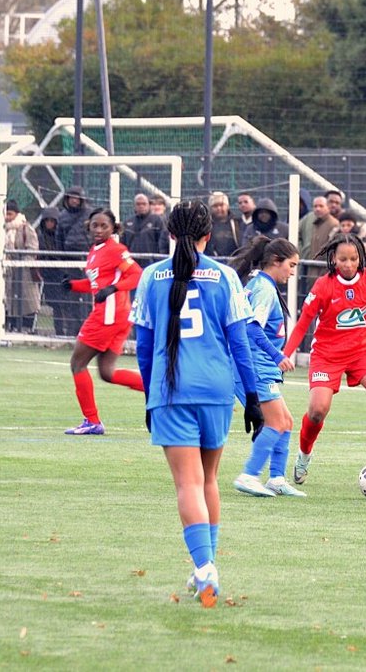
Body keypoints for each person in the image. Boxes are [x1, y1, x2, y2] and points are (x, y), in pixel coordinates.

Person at [130, 200, 265, 608]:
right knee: (208, 481)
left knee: (188, 484)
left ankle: (205, 568)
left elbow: (144, 348)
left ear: (170, 233)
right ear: (209, 235)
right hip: (217, 390)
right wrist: (253, 397)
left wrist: (150, 397)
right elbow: (240, 344)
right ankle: (204, 569)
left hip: (172, 390)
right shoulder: (225, 276)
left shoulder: (151, 276)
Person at [283, 233, 366, 484]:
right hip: (327, 355)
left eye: (353, 259)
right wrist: (285, 355)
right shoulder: (323, 285)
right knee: (317, 411)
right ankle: (304, 455)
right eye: (343, 259)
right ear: (333, 259)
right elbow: (303, 324)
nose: (349, 264)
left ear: (360, 257)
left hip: (363, 351)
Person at [229, 237, 304, 498]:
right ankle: (249, 475)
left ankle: (276, 478)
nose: (292, 272)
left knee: (286, 421)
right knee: (276, 422)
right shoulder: (264, 289)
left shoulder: (258, 284)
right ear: (275, 261)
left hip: (260, 366)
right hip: (255, 366)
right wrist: (277, 355)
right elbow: (252, 328)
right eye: (291, 265)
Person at [61, 207, 145, 435]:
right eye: (95, 225)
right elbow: (96, 285)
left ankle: (92, 421)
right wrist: (73, 285)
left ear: (113, 228)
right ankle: (158, 390)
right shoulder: (95, 251)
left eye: (104, 226)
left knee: (77, 364)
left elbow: (137, 275)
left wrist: (113, 288)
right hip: (117, 317)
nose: (98, 230)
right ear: (88, 226)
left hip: (108, 316)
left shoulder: (116, 250)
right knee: (107, 372)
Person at [56, 187, 92, 335]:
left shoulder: (90, 214)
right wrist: (62, 258)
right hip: (70, 260)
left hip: (88, 259)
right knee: (73, 296)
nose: (74, 201)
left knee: (88, 296)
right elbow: (59, 237)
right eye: (71, 198)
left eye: (77, 198)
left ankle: (88, 328)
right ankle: (73, 329)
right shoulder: (62, 216)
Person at [3, 200, 42, 332]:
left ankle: (28, 328)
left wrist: (21, 263)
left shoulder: (26, 228)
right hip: (9, 272)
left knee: (28, 300)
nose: (7, 217)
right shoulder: (3, 230)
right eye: (5, 214)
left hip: (25, 272)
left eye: (10, 213)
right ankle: (13, 326)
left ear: (16, 213)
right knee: (11, 301)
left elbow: (32, 248)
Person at [37, 206, 72, 335]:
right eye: (47, 221)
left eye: (52, 221)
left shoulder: (62, 236)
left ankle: (69, 330)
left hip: (62, 273)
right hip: (49, 275)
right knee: (55, 305)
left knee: (66, 304)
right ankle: (59, 331)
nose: (49, 223)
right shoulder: (41, 237)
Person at [122, 192, 168, 266]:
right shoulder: (128, 223)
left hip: (151, 264)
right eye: (138, 204)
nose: (141, 206)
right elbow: (122, 245)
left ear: (148, 205)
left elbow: (163, 243)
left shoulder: (157, 221)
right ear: (134, 206)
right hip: (132, 264)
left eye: (144, 204)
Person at [205, 192, 241, 258]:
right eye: (215, 206)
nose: (219, 208)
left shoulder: (237, 223)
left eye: (221, 205)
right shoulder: (206, 225)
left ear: (227, 206)